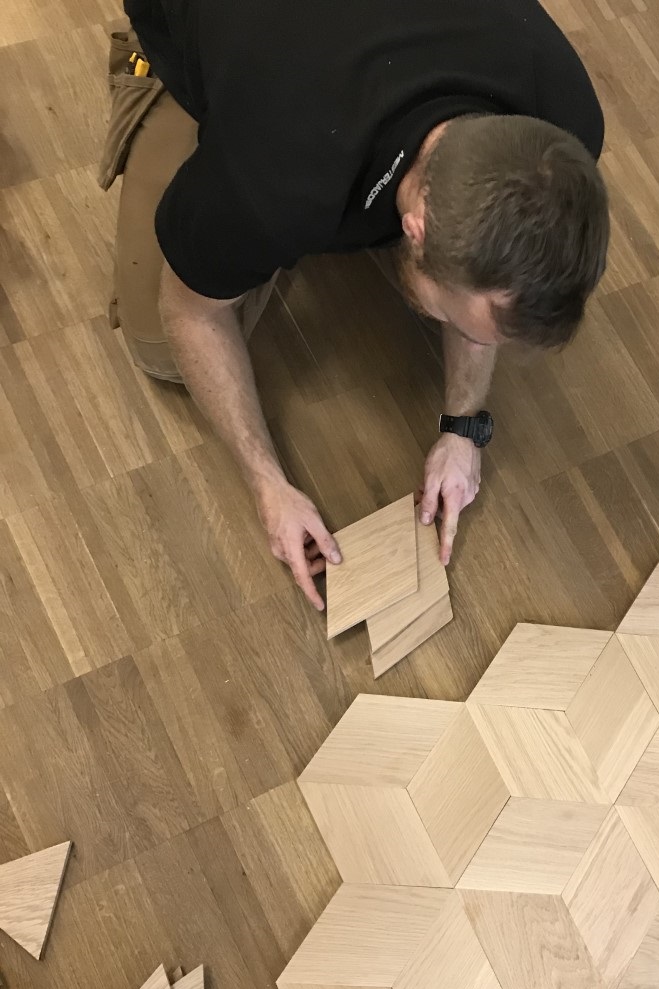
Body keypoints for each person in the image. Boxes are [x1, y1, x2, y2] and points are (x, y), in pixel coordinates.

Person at [103, 0, 609, 609]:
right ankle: (152, 70)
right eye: (468, 326)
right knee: (163, 348)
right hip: (229, 44)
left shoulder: (563, 122)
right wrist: (268, 485)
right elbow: (191, 312)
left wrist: (464, 427)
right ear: (416, 229)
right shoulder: (279, 176)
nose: (476, 340)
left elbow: (496, 275)